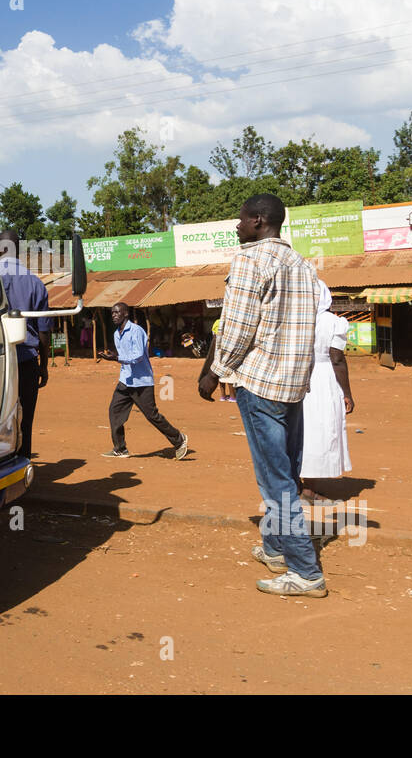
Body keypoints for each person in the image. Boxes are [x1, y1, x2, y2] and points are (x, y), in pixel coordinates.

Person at [198, 194, 323, 598]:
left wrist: (214, 372)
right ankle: (274, 549)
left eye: (239, 220)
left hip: (262, 383)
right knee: (284, 468)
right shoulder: (303, 265)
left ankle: (305, 573)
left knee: (276, 480)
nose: (236, 228)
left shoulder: (251, 261)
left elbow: (236, 328)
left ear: (257, 221)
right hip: (293, 385)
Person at [100, 302, 188, 460]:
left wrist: (117, 358)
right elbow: (124, 356)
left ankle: (179, 439)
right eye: (112, 313)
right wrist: (114, 356)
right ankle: (120, 449)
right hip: (125, 380)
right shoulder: (116, 334)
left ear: (126, 314)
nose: (113, 315)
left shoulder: (136, 331)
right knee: (115, 411)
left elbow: (138, 355)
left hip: (142, 382)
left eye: (117, 312)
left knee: (152, 415)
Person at [0, 230, 50, 461]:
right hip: (27, 361)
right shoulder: (35, 283)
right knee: (25, 419)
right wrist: (44, 366)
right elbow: (44, 331)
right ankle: (23, 464)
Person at [299, 280, 355, 503]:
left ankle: (298, 485)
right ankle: (310, 491)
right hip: (323, 378)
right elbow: (337, 358)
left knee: (301, 431)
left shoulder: (297, 320)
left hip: (298, 377)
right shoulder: (333, 322)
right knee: (320, 432)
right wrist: (348, 393)